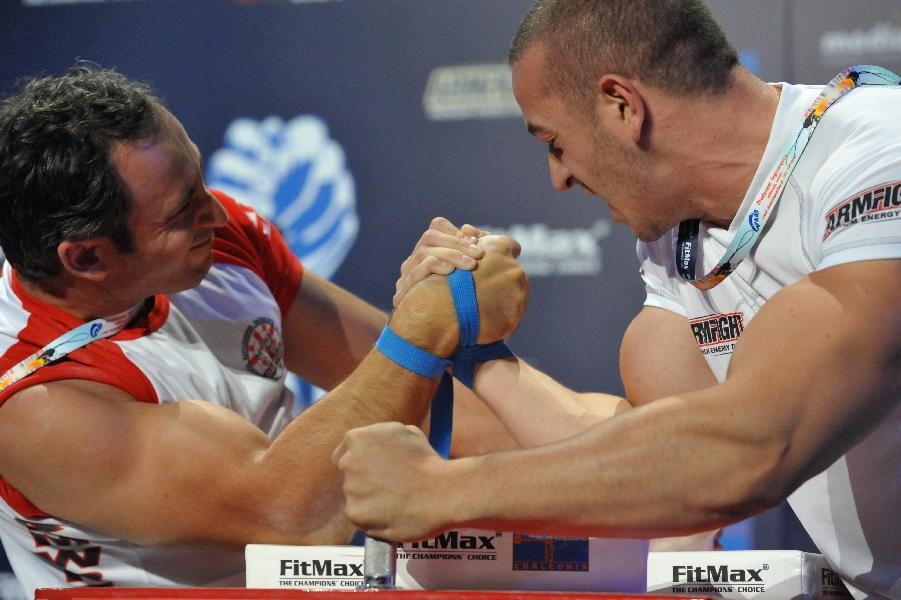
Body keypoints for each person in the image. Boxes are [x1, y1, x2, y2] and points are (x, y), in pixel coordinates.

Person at [332, 1, 901, 598]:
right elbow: (667, 462)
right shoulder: (677, 238)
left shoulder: (874, 153)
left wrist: (439, 492)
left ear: (622, 106)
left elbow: (755, 445)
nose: (559, 178)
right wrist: (476, 347)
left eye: (554, 143)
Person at [0, 65, 528, 596]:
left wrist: (589, 451)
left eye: (199, 182)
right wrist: (429, 317)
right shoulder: (34, 404)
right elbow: (294, 520)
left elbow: (431, 394)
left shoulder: (216, 243)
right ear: (88, 257)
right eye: (183, 210)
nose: (217, 212)